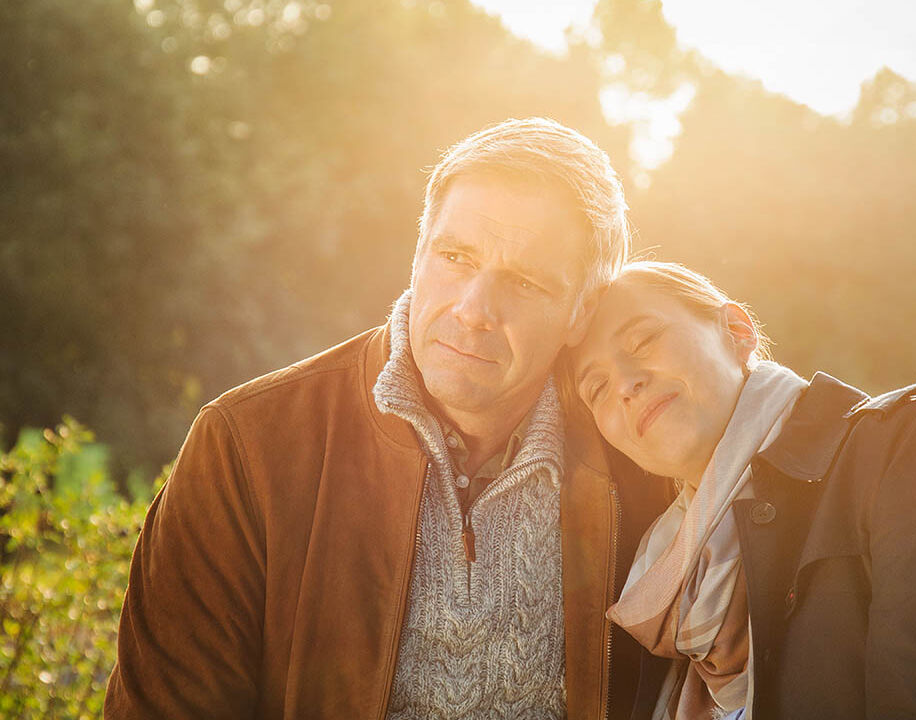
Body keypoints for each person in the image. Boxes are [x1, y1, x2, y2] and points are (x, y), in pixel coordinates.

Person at [104, 118, 671, 719]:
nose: (474, 309)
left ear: (582, 313)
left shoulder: (642, 459)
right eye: (454, 257)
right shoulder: (246, 445)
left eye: (525, 283)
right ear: (419, 252)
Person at [569, 261, 916, 719]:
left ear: (736, 329)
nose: (625, 383)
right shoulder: (663, 585)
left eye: (642, 340)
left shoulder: (909, 451)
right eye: (595, 387)